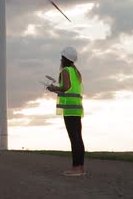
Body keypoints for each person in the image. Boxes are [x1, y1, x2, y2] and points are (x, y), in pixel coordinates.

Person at [46, 46, 85, 176]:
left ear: (64, 58)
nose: (60, 59)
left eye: (61, 57)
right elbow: (71, 88)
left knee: (74, 138)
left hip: (69, 109)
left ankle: (75, 168)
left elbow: (66, 87)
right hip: (77, 108)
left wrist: (53, 88)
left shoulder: (65, 71)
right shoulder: (76, 72)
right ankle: (80, 168)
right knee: (78, 138)